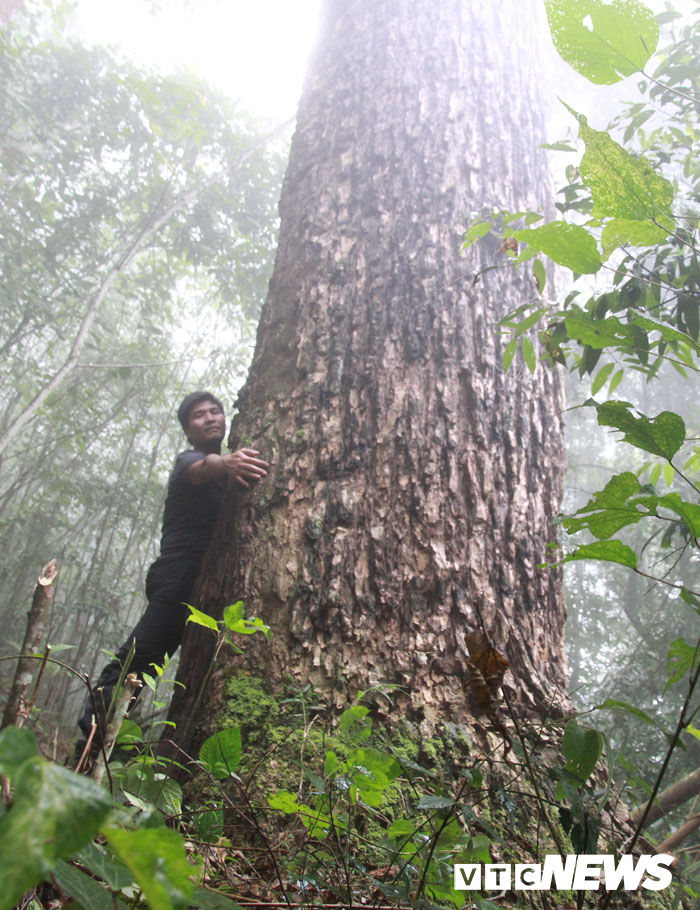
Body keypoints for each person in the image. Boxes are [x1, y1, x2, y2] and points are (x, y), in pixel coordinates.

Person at [74, 391, 268, 765]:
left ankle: (113, 754)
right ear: (187, 431)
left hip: (199, 579)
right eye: (199, 415)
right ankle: (90, 748)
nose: (210, 418)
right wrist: (226, 462)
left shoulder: (224, 469)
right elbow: (202, 468)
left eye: (216, 411)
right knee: (134, 663)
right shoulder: (191, 461)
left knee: (156, 666)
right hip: (177, 577)